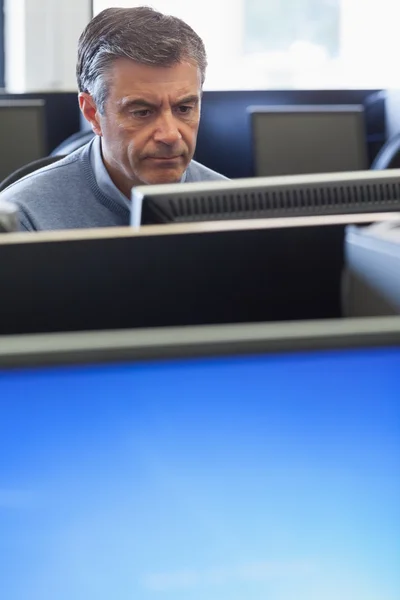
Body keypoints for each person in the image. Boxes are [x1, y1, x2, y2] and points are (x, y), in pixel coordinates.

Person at [0, 6, 227, 231]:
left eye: (184, 108)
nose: (169, 135)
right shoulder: (23, 218)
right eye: (142, 112)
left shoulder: (231, 210)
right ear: (92, 113)